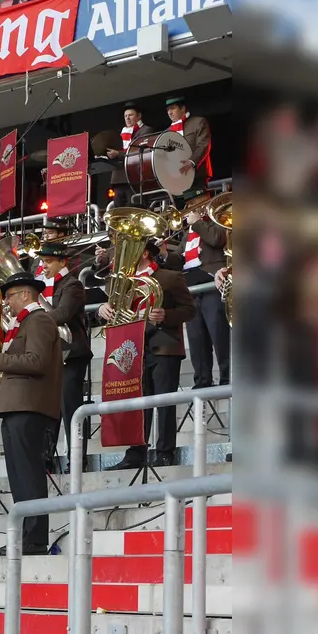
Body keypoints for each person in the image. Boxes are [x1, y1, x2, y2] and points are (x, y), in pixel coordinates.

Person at [0, 274, 62, 555]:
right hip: (17, 404)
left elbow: (36, 361)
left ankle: (34, 540)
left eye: (10, 296)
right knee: (20, 477)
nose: (7, 303)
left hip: (29, 405)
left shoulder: (38, 320)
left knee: (28, 476)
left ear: (25, 295)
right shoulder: (25, 322)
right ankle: (26, 537)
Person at [101, 241, 197, 469]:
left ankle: (165, 451)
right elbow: (116, 311)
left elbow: (190, 310)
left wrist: (166, 315)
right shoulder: (123, 282)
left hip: (164, 347)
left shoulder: (171, 277)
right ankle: (136, 453)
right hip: (133, 348)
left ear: (144, 253)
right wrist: (101, 309)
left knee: (165, 402)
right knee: (136, 403)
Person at [36, 242, 91, 449]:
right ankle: (48, 458)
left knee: (70, 407)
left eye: (48, 262)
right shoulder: (44, 285)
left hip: (72, 352)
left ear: (62, 261)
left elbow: (63, 314)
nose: (44, 266)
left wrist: (32, 319)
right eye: (42, 261)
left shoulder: (72, 285)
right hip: (52, 353)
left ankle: (77, 458)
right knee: (49, 409)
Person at [178, 191, 231, 387]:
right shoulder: (188, 233)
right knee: (196, 337)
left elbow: (218, 239)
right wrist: (163, 254)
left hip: (212, 285)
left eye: (194, 202)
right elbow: (178, 257)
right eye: (189, 204)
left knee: (219, 333)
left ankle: (228, 377)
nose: (190, 207)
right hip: (191, 287)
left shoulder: (217, 220)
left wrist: (198, 222)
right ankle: (202, 380)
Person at [107, 101, 158, 203]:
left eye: (130, 115)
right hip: (118, 178)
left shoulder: (146, 130)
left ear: (139, 116)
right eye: (125, 116)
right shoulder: (122, 132)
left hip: (134, 177)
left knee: (134, 207)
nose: (127, 118)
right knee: (119, 209)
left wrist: (118, 154)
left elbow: (138, 151)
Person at [165, 96, 212, 182]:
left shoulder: (198, 122)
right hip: (175, 177)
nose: (169, 112)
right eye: (168, 110)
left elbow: (204, 145)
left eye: (172, 109)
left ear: (183, 108)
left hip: (197, 173)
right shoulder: (167, 131)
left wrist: (191, 162)